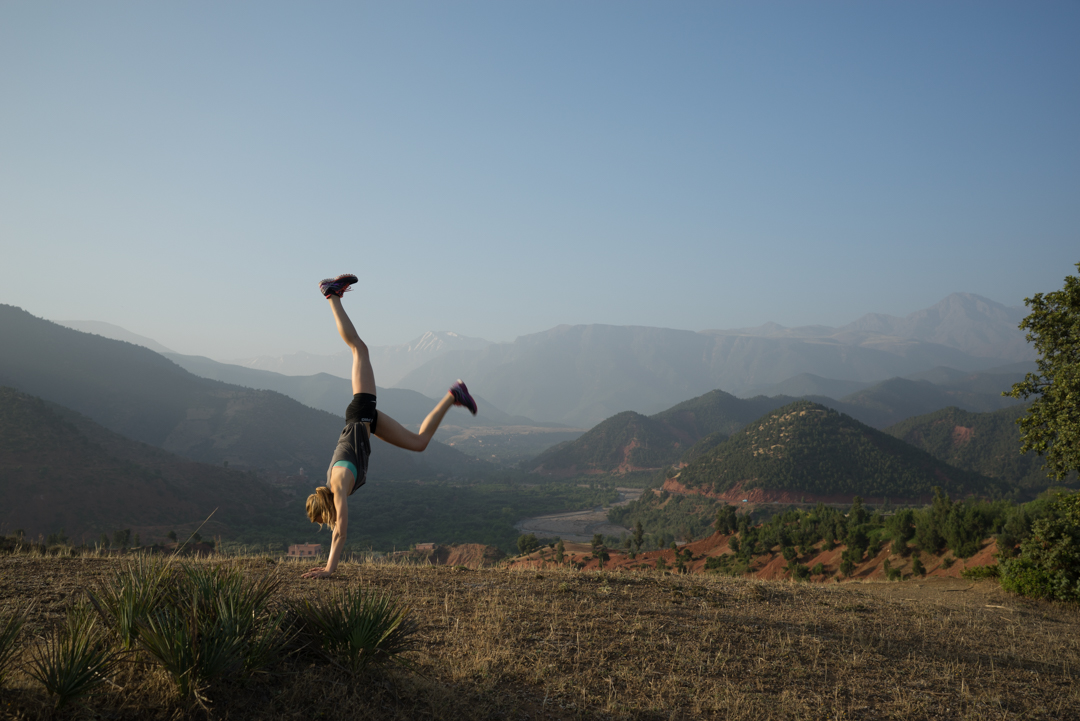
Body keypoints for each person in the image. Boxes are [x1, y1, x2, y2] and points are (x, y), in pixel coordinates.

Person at [301, 274, 477, 579]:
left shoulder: (339, 485)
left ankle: (332, 296)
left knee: (359, 349)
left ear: (326, 508)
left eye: (323, 520)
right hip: (366, 423)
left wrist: (329, 569)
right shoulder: (333, 484)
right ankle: (454, 396)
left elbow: (340, 532)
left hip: (361, 414)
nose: (327, 524)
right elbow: (336, 530)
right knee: (420, 442)